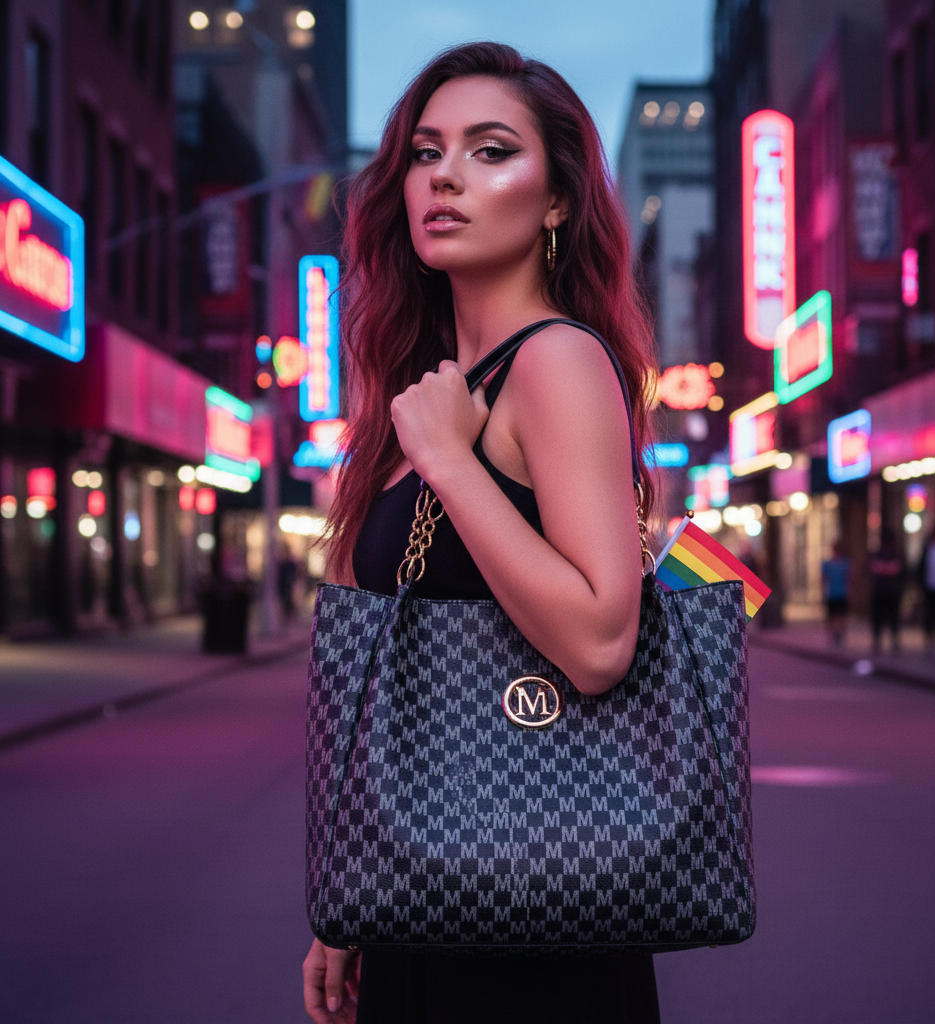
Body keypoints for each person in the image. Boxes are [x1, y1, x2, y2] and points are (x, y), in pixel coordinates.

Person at [302, 43, 661, 1024]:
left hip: (535, 902)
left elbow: (598, 643)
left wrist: (456, 465)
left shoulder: (557, 364)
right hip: (420, 887)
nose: (446, 175)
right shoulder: (425, 399)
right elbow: (383, 676)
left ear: (555, 202)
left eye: (490, 150)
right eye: (426, 152)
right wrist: (350, 890)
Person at [869, 528, 905, 655]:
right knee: (880, 618)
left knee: (891, 618)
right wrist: (888, 568)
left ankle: (891, 642)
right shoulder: (880, 553)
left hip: (890, 591)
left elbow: (896, 569)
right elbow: (876, 568)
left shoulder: (894, 553)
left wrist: (884, 568)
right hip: (883, 590)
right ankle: (879, 642)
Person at [821, 541, 852, 648]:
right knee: (831, 617)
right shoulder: (827, 564)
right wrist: (824, 592)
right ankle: (832, 637)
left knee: (842, 617)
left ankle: (840, 637)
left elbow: (849, 579)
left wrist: (849, 591)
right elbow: (824, 579)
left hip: (842, 593)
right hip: (831, 594)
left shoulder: (845, 563)